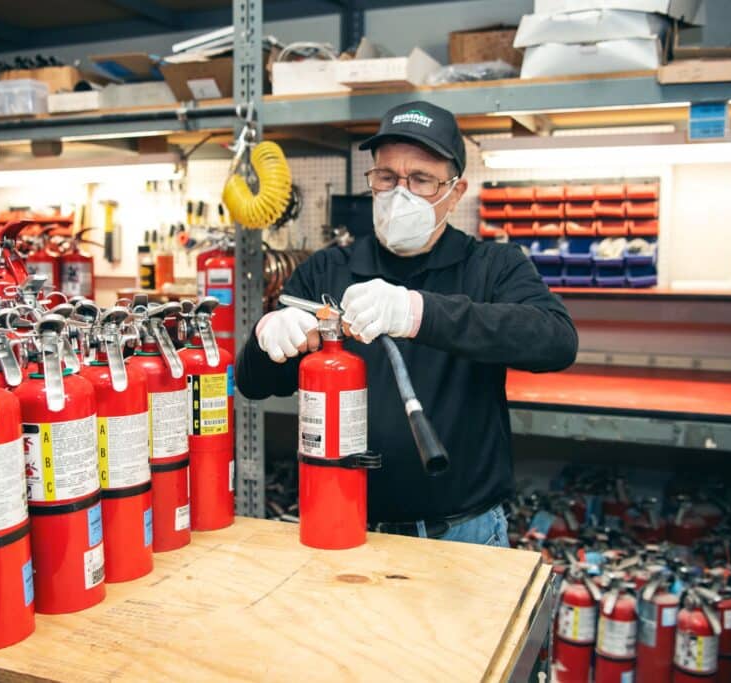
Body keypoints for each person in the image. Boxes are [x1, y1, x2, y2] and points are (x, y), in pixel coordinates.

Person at [235, 101, 578, 547]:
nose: (401, 193)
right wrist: (269, 341)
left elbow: (555, 340)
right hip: (340, 519)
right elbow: (253, 384)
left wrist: (419, 313)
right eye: (387, 177)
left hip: (461, 533)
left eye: (421, 180)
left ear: (455, 193)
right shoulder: (328, 270)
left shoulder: (492, 267)